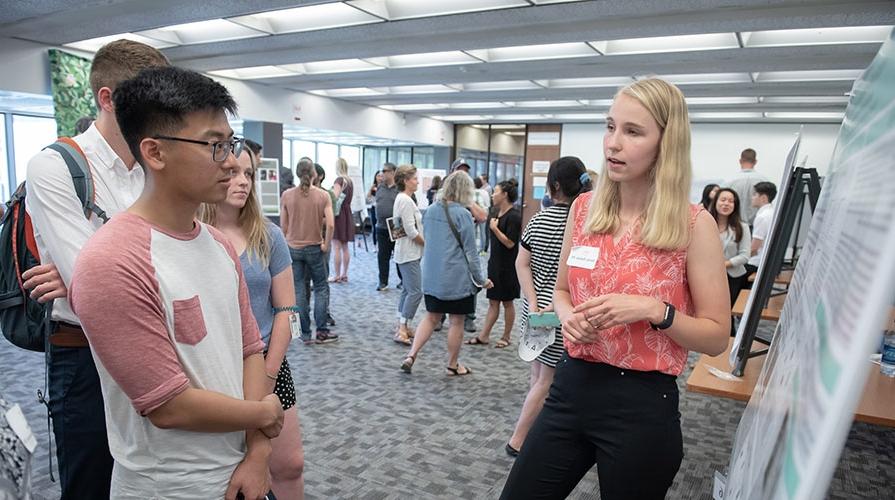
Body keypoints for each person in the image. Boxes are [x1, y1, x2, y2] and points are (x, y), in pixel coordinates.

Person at [500, 78, 729, 500]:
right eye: (610, 127)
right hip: (571, 386)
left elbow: (716, 336)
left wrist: (653, 309)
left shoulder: (694, 225)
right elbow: (562, 291)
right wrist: (569, 318)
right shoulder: (584, 210)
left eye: (633, 131)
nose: (613, 144)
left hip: (640, 405)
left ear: (666, 142)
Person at [68, 66, 285, 499]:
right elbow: (168, 406)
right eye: (214, 146)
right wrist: (263, 415)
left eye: (231, 143)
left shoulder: (219, 246)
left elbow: (249, 351)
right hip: (170, 486)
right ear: (155, 152)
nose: (230, 162)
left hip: (243, 472)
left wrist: (259, 452)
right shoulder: (112, 261)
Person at [22, 39, 169, 499]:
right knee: (90, 483)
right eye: (147, 97)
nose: (159, 112)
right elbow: (101, 294)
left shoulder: (153, 168)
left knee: (153, 479)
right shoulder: (56, 166)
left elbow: (183, 260)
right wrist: (86, 282)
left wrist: (85, 279)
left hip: (162, 347)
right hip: (83, 356)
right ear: (107, 99)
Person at [198, 147, 305, 499]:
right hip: (215, 371)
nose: (242, 182)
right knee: (227, 472)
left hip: (269, 363)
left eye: (249, 174)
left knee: (289, 465)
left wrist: (269, 372)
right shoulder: (194, 236)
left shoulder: (268, 236)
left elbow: (287, 309)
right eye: (234, 172)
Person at [505, 156, 590, 458]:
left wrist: (532, 300)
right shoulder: (582, 225)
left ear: (554, 186)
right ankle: (518, 439)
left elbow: (521, 264)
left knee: (538, 375)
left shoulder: (539, 220)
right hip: (561, 311)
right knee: (547, 380)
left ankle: (531, 432)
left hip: (537, 310)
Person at [400, 172, 493, 376]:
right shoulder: (463, 215)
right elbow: (471, 252)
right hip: (456, 278)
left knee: (431, 317)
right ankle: (452, 364)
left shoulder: (431, 210)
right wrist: (481, 280)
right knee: (456, 321)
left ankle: (411, 355)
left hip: (432, 275)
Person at [281, 159, 338, 344]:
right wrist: (326, 244)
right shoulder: (323, 196)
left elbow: (283, 226)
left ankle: (304, 334)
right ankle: (321, 331)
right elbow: (330, 223)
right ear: (314, 174)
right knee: (321, 287)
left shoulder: (287, 195)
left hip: (293, 248)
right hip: (314, 247)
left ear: (298, 174)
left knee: (298, 290)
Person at [466, 179, 522, 349]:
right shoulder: (494, 212)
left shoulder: (514, 216)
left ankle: (506, 336)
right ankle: (484, 336)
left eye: (495, 191)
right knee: (493, 302)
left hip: (508, 266)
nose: (492, 194)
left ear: (504, 194)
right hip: (495, 263)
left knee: (507, 302)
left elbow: (511, 243)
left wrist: (495, 229)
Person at [709, 188, 751, 334]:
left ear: (735, 205)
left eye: (731, 201)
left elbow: (745, 256)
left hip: (732, 276)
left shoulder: (742, 227)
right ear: (716, 202)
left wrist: (723, 265)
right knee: (709, 311)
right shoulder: (706, 224)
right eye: (723, 200)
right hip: (708, 276)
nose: (726, 204)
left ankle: (728, 342)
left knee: (726, 313)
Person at [392, 165, 425, 345]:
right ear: (405, 180)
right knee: (415, 292)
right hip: (409, 252)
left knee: (407, 290)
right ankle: (402, 327)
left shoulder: (404, 198)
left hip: (407, 251)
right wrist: (427, 244)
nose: (417, 181)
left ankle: (402, 324)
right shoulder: (404, 200)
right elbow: (411, 231)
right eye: (414, 178)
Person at [374, 163, 402, 291]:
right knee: (382, 256)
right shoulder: (380, 187)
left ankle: (403, 280)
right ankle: (383, 282)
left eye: (385, 171)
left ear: (393, 172)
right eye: (382, 171)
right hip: (381, 225)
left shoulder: (400, 189)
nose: (382, 173)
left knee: (399, 254)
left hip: (395, 224)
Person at [725, 148, 768, 224]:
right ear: (755, 162)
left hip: (735, 225)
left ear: (740, 161)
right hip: (757, 225)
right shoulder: (764, 181)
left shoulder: (730, 181)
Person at [745, 181, 778, 276]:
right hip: (766, 261)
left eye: (755, 195)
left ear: (763, 198)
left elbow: (754, 247)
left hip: (757, 263)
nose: (752, 198)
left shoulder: (762, 217)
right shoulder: (772, 212)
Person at [330, 158, 355, 283]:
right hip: (347, 213)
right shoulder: (350, 181)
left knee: (336, 247)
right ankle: (344, 273)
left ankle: (337, 275)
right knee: (345, 246)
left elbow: (335, 196)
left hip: (339, 215)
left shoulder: (339, 180)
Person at [472, 176, 491, 252]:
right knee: (483, 232)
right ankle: (483, 249)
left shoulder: (472, 192)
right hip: (484, 213)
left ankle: (474, 248)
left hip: (474, 214)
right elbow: (488, 204)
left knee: (473, 232)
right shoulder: (485, 192)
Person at [367, 170, 383, 245]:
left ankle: (381, 244)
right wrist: (371, 189)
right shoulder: (373, 187)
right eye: (378, 176)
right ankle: (375, 245)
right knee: (374, 227)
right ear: (375, 177)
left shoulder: (385, 187)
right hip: (374, 209)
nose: (380, 178)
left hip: (383, 209)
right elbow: (368, 198)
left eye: (381, 176)